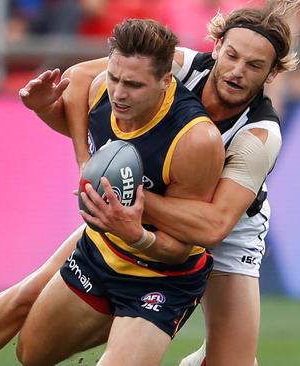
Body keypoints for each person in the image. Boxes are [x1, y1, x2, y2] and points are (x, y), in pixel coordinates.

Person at [0, 1, 299, 365]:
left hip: (230, 228)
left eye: (253, 66)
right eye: (232, 55)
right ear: (216, 46)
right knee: (31, 292)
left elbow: (215, 226)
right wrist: (86, 162)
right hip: (145, 200)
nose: (236, 71)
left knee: (231, 363)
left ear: (270, 74)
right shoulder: (178, 65)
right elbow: (79, 81)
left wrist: (120, 192)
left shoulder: (259, 136)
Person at [14, 18, 225, 365]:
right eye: (114, 78)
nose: (119, 93)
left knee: (232, 353)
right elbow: (79, 78)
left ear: (165, 81)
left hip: (164, 277)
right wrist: (79, 151)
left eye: (133, 84)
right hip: (106, 250)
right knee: (31, 354)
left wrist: (137, 232)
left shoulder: (199, 138)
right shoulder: (102, 91)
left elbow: (189, 240)